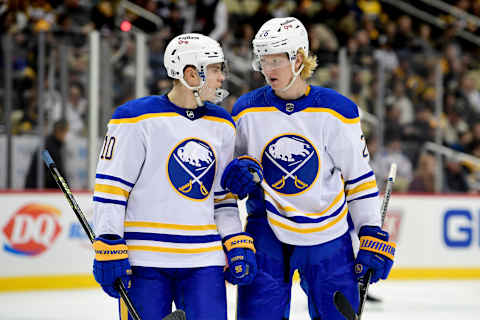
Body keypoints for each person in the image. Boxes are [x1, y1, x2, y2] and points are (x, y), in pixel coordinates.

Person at [221, 17, 395, 320]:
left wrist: (369, 231)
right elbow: (231, 177)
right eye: (263, 60)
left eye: (275, 60)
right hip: (267, 229)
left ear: (298, 59)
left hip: (328, 235)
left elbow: (359, 178)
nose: (267, 69)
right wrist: (237, 176)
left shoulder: (336, 110)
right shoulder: (247, 109)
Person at [91, 33, 256, 320]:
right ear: (191, 73)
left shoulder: (222, 124)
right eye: (215, 69)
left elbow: (222, 200)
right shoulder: (135, 119)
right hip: (144, 260)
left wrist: (234, 239)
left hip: (204, 260)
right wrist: (108, 239)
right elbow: (111, 189)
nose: (221, 78)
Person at [25, 119, 69, 189]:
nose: (66, 136)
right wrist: (67, 189)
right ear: (59, 131)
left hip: (36, 187)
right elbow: (56, 173)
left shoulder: (51, 144)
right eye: (66, 132)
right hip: (36, 189)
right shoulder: (50, 147)